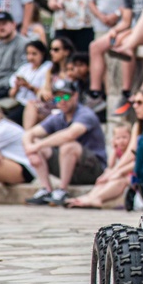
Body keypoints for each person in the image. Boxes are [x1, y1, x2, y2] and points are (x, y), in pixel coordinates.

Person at [23, 78, 107, 206]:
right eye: (57, 98)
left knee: (68, 146)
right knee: (36, 145)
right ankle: (47, 190)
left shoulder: (85, 114)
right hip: (69, 167)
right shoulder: (58, 117)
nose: (62, 101)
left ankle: (62, 190)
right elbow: (29, 133)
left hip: (93, 169)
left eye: (66, 96)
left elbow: (70, 135)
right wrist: (30, 148)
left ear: (75, 96)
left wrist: (37, 146)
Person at [65, 122, 135, 209]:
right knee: (106, 174)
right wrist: (114, 149)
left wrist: (115, 173)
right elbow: (110, 165)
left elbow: (133, 165)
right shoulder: (119, 150)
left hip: (132, 176)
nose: (121, 141)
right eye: (118, 138)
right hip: (122, 173)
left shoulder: (132, 150)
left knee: (115, 177)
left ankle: (97, 198)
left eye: (124, 137)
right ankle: (90, 196)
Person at [6, 40, 52, 125]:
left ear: (42, 53)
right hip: (17, 102)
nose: (30, 57)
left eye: (34, 54)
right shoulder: (24, 68)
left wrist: (29, 86)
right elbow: (11, 94)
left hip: (33, 105)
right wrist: (17, 86)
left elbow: (45, 95)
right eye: (28, 54)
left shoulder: (47, 68)